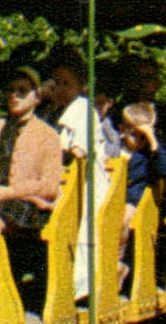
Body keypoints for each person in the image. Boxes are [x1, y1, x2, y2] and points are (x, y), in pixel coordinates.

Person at [0, 66, 62, 317]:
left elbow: (49, 186)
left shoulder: (48, 136)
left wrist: (6, 193)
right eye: (11, 90)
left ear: (37, 97)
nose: (15, 96)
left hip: (28, 204)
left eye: (23, 91)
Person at [40, 48, 112, 300]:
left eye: (67, 83)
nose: (60, 88)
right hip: (57, 177)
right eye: (55, 82)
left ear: (81, 86)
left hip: (84, 182)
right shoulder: (49, 111)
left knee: (82, 228)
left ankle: (80, 286)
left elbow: (77, 152)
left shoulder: (83, 110)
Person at [119, 101, 166, 288]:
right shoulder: (117, 147)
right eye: (133, 135)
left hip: (135, 198)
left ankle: (119, 261)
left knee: (122, 219)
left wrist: (153, 140)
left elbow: (165, 169)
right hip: (113, 195)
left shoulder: (148, 154)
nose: (138, 141)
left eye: (143, 137)